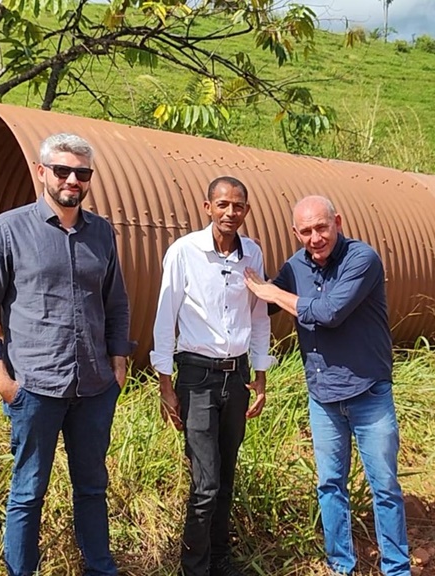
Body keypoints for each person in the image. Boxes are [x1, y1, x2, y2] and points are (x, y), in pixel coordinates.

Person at [0, 133, 135, 576]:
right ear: (42, 173)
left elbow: (115, 303)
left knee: (93, 487)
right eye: (62, 170)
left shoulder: (102, 233)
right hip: (34, 388)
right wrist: (3, 381)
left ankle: (100, 568)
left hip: (95, 387)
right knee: (27, 491)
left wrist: (118, 365)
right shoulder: (8, 229)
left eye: (82, 173)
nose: (72, 180)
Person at [243, 196, 410, 576]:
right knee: (330, 485)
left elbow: (329, 312)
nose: (315, 238)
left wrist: (273, 293)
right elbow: (264, 302)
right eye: (306, 231)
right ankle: (341, 565)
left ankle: (396, 568)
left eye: (322, 227)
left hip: (368, 393)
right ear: (295, 233)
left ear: (337, 221)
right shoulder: (295, 266)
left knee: (383, 486)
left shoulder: (361, 259)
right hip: (324, 398)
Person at [151, 176, 273, 576]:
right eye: (222, 205)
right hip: (197, 377)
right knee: (204, 483)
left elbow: (258, 317)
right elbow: (165, 315)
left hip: (236, 377)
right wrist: (166, 384)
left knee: (226, 475)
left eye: (237, 206)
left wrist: (260, 375)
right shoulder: (185, 252)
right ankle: (194, 567)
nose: (229, 213)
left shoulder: (251, 254)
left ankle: (220, 559)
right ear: (207, 208)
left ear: (246, 211)